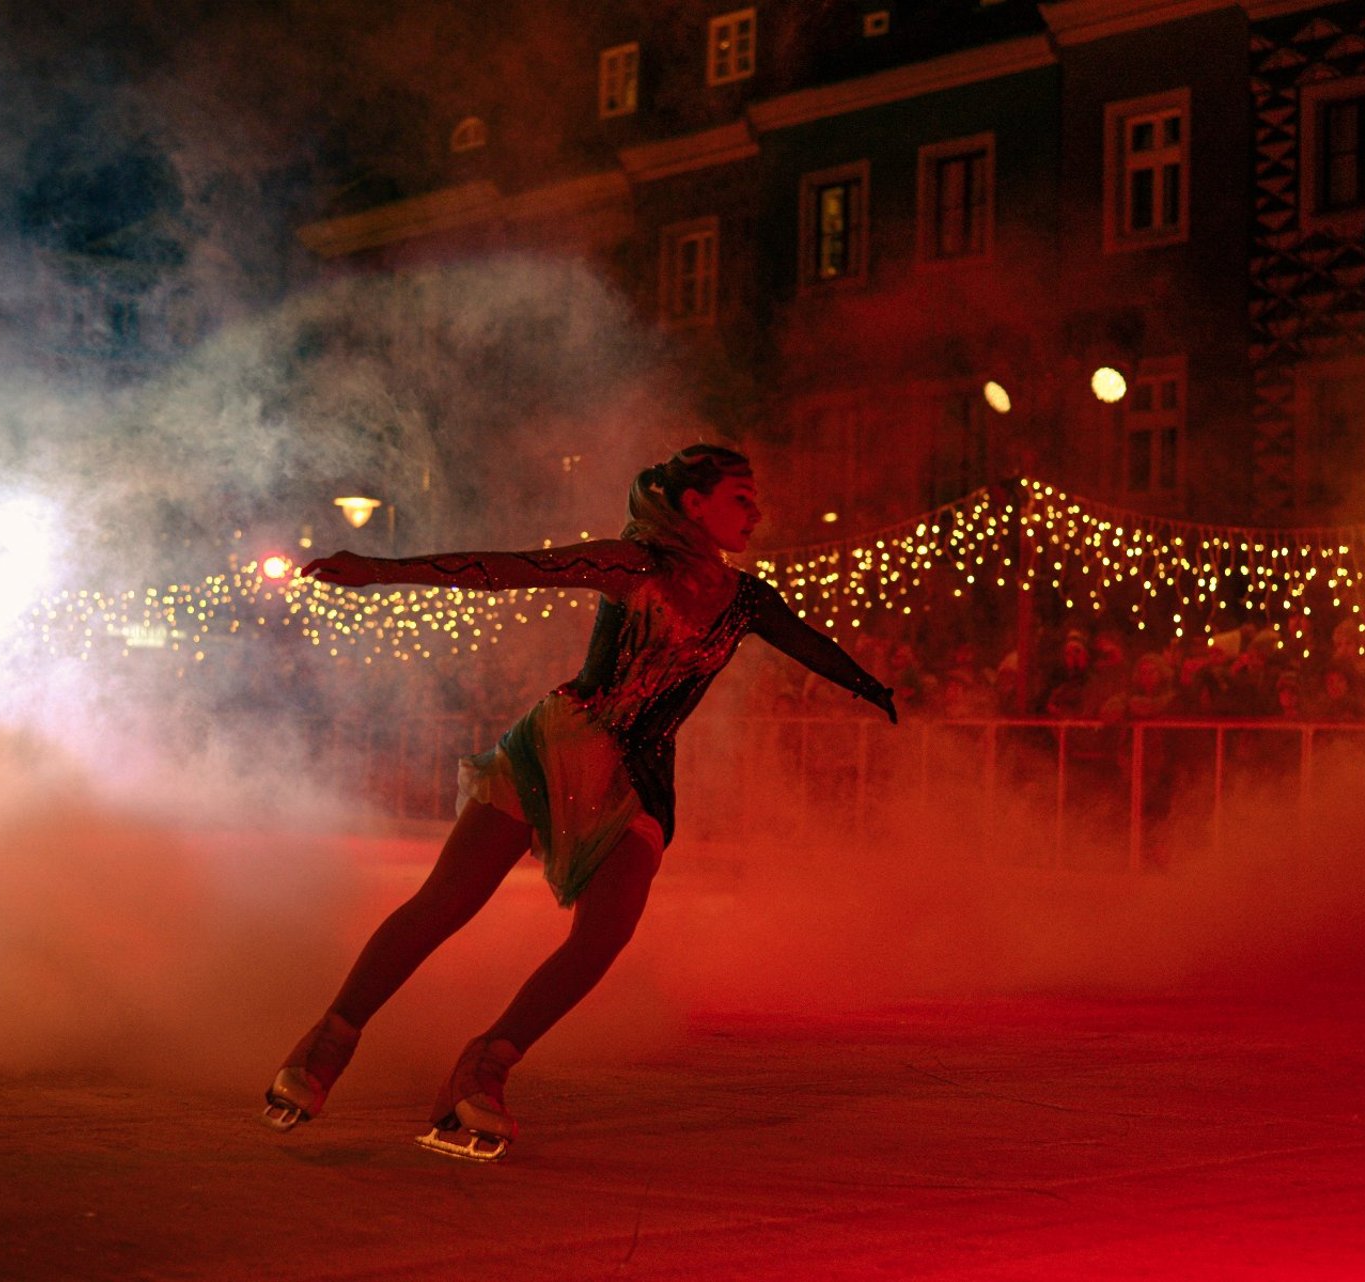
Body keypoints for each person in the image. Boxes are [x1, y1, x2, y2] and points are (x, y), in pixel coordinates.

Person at [262, 444, 896, 1160]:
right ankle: (328, 1041)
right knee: (448, 900)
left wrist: (877, 689)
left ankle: (487, 1065)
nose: (757, 511)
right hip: (561, 745)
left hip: (641, 777)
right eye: (741, 498)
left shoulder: (748, 599)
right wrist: (381, 572)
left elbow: (808, 645)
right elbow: (507, 571)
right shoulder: (632, 564)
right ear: (695, 504)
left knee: (604, 937)